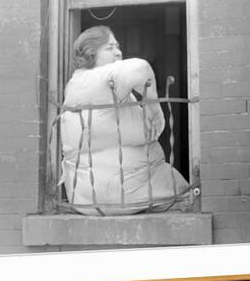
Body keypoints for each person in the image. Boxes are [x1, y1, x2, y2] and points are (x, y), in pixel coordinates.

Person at [60, 25, 189, 215]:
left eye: (117, 46)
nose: (118, 52)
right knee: (193, 197)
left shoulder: (85, 85)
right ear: (90, 54)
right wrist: (154, 108)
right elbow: (140, 68)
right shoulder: (93, 80)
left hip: (91, 197)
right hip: (125, 192)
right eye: (109, 47)